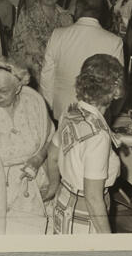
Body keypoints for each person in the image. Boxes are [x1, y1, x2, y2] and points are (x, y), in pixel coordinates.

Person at [0, 58, 55, 235]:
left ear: (19, 87)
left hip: (32, 190)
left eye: (4, 91)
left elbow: (52, 138)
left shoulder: (34, 102)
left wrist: (38, 158)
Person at [46, 54, 124, 234]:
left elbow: (52, 155)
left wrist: (53, 186)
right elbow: (93, 198)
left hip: (64, 201)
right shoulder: (98, 136)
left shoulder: (71, 111)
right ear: (115, 90)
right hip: (85, 212)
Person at [40, 0, 124, 121]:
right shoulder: (114, 41)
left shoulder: (58, 35)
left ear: (78, 8)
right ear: (100, 13)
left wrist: (50, 107)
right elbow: (117, 83)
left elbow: (46, 76)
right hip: (96, 114)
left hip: (62, 111)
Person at [9, 0, 73, 87]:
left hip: (60, 76)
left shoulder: (66, 17)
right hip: (33, 77)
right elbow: (16, 49)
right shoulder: (27, 15)